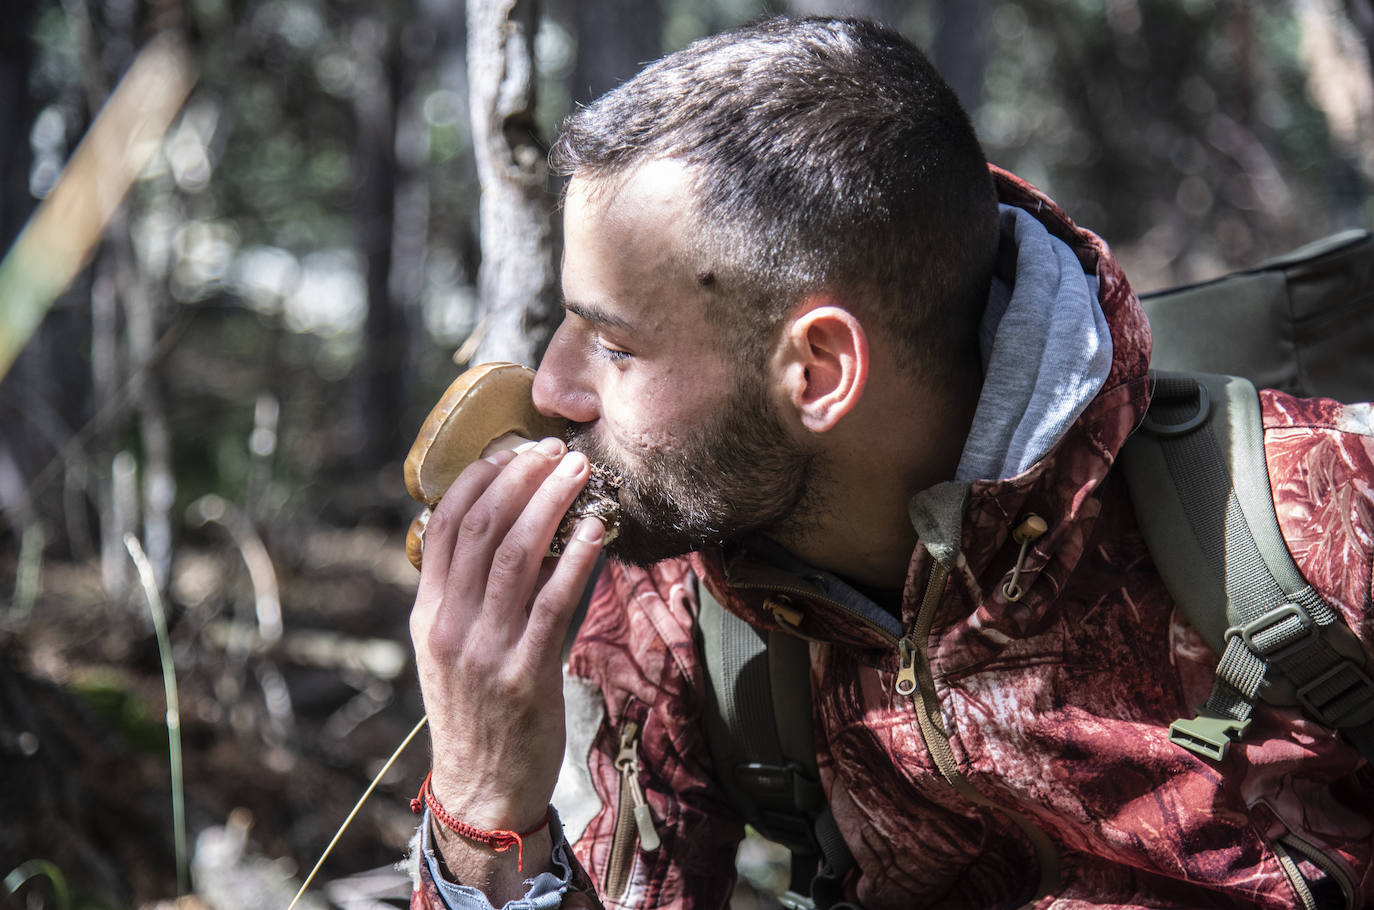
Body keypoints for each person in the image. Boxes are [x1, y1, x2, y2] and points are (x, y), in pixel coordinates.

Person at [406, 15, 1374, 910]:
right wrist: (484, 804)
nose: (552, 388)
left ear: (820, 370)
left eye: (615, 347)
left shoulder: (1314, 520)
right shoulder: (676, 613)